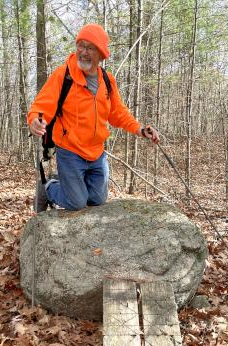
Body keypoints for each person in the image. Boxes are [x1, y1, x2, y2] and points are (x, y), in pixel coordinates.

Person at [28, 23, 159, 212]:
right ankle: (48, 187)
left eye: (90, 48)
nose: (83, 52)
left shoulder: (107, 80)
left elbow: (118, 113)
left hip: (97, 153)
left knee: (97, 200)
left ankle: (68, 184)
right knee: (77, 203)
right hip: (70, 150)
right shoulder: (63, 76)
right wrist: (35, 120)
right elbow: (41, 106)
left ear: (101, 54)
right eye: (80, 45)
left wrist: (140, 129)